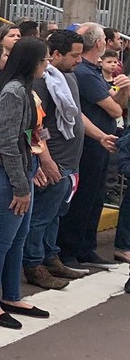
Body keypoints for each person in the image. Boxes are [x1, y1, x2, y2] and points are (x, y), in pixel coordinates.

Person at [0, 37, 51, 329]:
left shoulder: (23, 88)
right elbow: (7, 143)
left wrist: (33, 167)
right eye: (44, 60)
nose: (47, 65)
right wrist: (21, 186)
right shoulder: (12, 92)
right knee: (0, 240)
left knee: (17, 238)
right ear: (32, 62)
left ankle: (11, 296)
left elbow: (29, 135)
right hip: (5, 173)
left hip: (21, 169)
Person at [24, 30, 98, 289]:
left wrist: (100, 136)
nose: (79, 60)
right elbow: (37, 125)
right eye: (74, 55)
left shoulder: (65, 78)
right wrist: (45, 159)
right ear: (55, 55)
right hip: (54, 162)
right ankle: (34, 264)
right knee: (42, 216)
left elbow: (76, 117)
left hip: (69, 162)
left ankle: (49, 256)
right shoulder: (41, 83)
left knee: (55, 214)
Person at [58, 23, 127, 271]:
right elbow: (115, 108)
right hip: (89, 144)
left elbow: (115, 103)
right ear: (99, 43)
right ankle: (72, 249)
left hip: (101, 140)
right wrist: (122, 91)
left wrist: (121, 91)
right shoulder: (85, 74)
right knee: (84, 197)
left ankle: (86, 247)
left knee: (96, 196)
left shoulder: (93, 71)